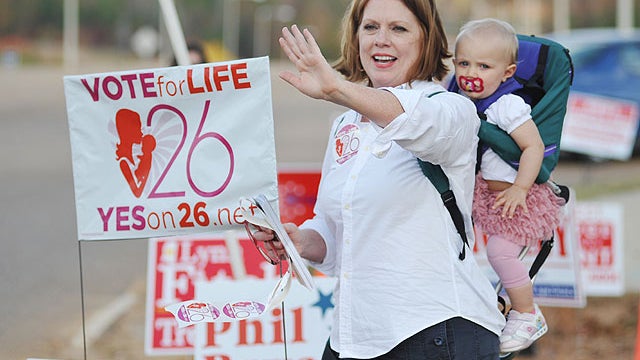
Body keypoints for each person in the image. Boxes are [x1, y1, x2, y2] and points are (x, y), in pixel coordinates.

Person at [251, 0, 505, 358]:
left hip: (437, 330)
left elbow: (415, 121)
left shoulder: (452, 109)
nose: (381, 40)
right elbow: (335, 232)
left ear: (426, 40)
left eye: (398, 29)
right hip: (353, 337)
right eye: (370, 27)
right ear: (355, 37)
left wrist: (337, 89)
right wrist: (297, 242)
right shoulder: (345, 125)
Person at [452, 18, 562, 353]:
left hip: (522, 198)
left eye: (484, 66)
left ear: (507, 72)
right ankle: (505, 306)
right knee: (489, 256)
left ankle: (528, 313)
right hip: (497, 200)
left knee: (499, 253)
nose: (472, 72)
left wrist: (520, 188)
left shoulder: (506, 104)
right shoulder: (461, 100)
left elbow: (534, 147)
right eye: (464, 63)